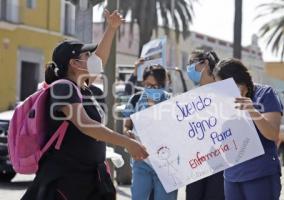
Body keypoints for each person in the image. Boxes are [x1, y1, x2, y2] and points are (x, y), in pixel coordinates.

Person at [21, 9, 148, 200]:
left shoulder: (83, 87)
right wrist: (127, 143)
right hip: (65, 182)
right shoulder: (62, 88)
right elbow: (87, 126)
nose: (92, 58)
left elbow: (100, 59)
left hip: (90, 180)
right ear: (74, 63)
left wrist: (111, 28)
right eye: (87, 55)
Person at [213, 58, 282, 200]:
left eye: (222, 85)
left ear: (237, 81)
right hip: (232, 177)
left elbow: (273, 134)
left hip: (260, 175)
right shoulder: (221, 103)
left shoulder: (265, 94)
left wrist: (252, 111)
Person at [122, 65, 178, 200]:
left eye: (155, 86)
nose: (150, 89)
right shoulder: (135, 99)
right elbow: (126, 126)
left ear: (163, 84)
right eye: (147, 85)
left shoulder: (173, 101)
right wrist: (127, 133)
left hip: (167, 164)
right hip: (141, 161)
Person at [185, 49, 225, 200]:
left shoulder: (226, 91)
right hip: (196, 165)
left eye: (191, 64)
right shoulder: (190, 99)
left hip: (220, 163)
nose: (189, 69)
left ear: (205, 64)